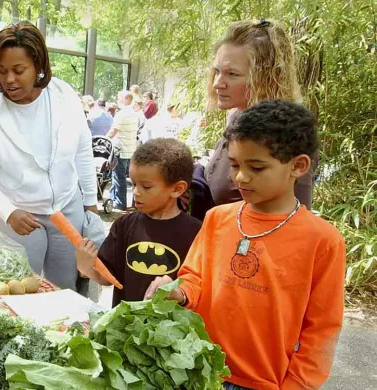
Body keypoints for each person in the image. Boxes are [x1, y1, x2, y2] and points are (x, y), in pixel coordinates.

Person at [145, 100, 345, 390]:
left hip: (265, 382)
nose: (240, 177)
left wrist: (298, 385)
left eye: (257, 167)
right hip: (198, 368)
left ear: (298, 166)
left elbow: (322, 330)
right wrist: (178, 292)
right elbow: (194, 277)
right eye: (236, 164)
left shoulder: (323, 240)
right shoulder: (217, 219)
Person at [0, 22, 97, 290]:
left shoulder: (63, 96)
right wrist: (8, 211)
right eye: (1, 71)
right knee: (18, 289)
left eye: (19, 71)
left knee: (65, 287)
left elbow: (83, 149)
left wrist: (90, 203)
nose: (9, 80)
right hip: (20, 216)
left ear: (38, 66)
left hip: (67, 208)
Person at [203, 19, 315, 211]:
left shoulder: (289, 134)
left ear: (266, 77)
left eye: (232, 74)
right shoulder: (236, 117)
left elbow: (293, 220)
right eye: (217, 72)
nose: (218, 83)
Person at [76, 139, 201, 307]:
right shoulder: (124, 225)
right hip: (126, 326)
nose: (135, 192)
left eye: (146, 187)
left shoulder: (196, 232)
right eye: (133, 184)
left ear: (177, 189)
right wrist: (86, 267)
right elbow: (107, 278)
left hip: (173, 328)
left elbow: (199, 287)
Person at [107, 90, 139, 210]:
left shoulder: (121, 114)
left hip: (120, 149)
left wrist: (104, 139)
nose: (117, 99)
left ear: (126, 99)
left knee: (119, 177)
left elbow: (113, 131)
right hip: (131, 149)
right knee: (124, 177)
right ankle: (117, 199)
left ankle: (120, 203)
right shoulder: (135, 113)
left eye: (119, 97)